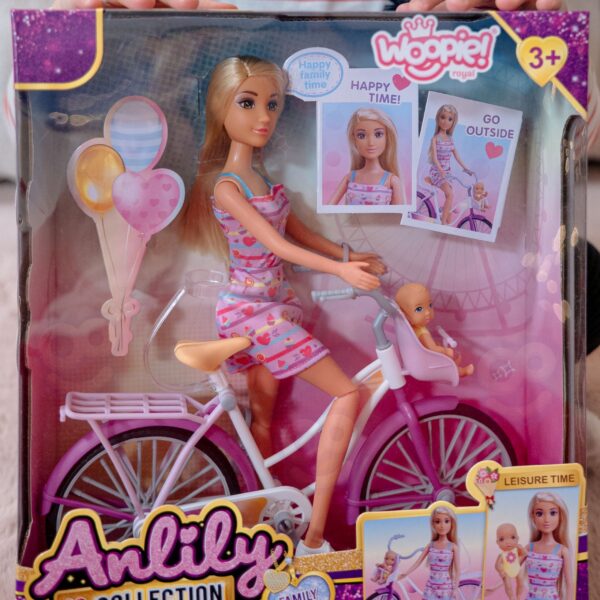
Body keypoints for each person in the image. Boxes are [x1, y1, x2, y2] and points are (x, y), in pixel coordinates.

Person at [180, 55, 386, 556]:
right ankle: (315, 533)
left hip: (273, 307)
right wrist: (338, 270)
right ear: (220, 108)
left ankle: (263, 517)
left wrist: (348, 255)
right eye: (248, 103)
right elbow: (277, 246)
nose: (264, 118)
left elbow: (300, 234)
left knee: (263, 420)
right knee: (347, 393)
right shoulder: (226, 187)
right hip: (252, 315)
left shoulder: (260, 179)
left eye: (272, 105)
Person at [327, 108, 405, 207]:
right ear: (354, 139)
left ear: (387, 137)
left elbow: (398, 214)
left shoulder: (392, 180)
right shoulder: (350, 177)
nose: (371, 143)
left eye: (378, 134)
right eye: (361, 136)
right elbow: (328, 208)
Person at [395, 282, 474, 377]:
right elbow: (432, 348)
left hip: (421, 361)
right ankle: (461, 372)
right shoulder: (422, 332)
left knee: (449, 354)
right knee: (449, 356)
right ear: (405, 315)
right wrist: (446, 351)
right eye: (419, 309)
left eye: (430, 305)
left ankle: (454, 363)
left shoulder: (411, 330)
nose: (428, 312)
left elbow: (425, 346)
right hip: (427, 363)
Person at [397, 506, 460, 600]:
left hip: (445, 587)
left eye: (446, 521)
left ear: (452, 523)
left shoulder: (453, 547)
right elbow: (418, 562)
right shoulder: (431, 545)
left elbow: (457, 570)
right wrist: (406, 573)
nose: (442, 525)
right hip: (431, 586)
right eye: (437, 522)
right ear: (433, 524)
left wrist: (455, 589)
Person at [426, 104, 473, 225]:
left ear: (453, 122)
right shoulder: (435, 138)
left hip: (447, 172)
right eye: (443, 117)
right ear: (438, 118)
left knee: (451, 195)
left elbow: (457, 156)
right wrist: (441, 170)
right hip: (437, 172)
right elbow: (434, 158)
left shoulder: (450, 139)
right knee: (450, 195)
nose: (445, 121)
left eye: (450, 119)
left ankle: (447, 220)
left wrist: (466, 168)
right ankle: (443, 223)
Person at [523, 492, 573, 599]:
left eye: (553, 513)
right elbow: (510, 570)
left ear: (560, 516)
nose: (546, 520)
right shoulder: (529, 548)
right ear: (533, 517)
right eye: (539, 514)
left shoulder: (562, 550)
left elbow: (569, 584)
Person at [495, 523, 527, 600]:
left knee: (521, 582)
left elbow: (525, 554)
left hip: (517, 569)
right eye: (502, 539)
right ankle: (511, 597)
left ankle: (519, 595)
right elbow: (497, 565)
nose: (508, 542)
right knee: (508, 586)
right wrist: (501, 571)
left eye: (512, 537)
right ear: (498, 542)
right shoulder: (502, 555)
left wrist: (522, 549)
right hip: (507, 572)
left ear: (517, 539)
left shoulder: (517, 550)